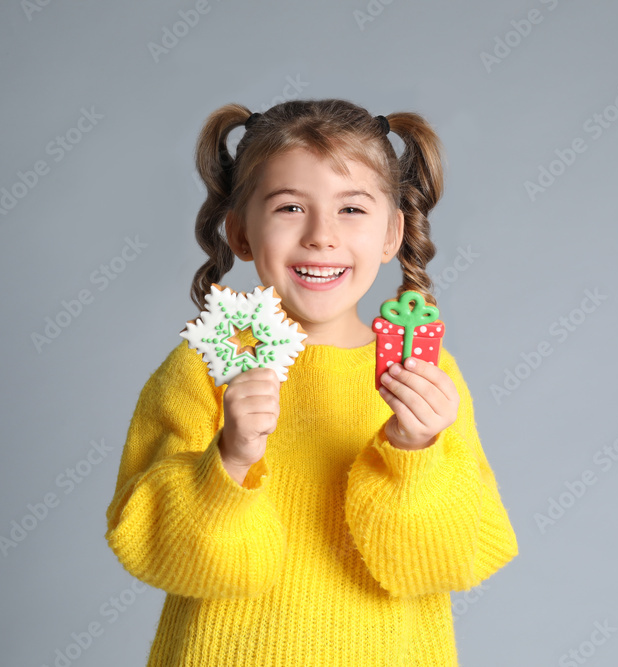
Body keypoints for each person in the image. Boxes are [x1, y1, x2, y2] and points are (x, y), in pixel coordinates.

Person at [104, 98, 519, 666]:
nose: (321, 235)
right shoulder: (204, 368)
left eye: (352, 210)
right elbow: (156, 551)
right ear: (241, 233)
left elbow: (455, 558)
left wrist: (415, 453)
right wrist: (228, 460)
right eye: (291, 207)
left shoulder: (428, 376)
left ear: (393, 232)